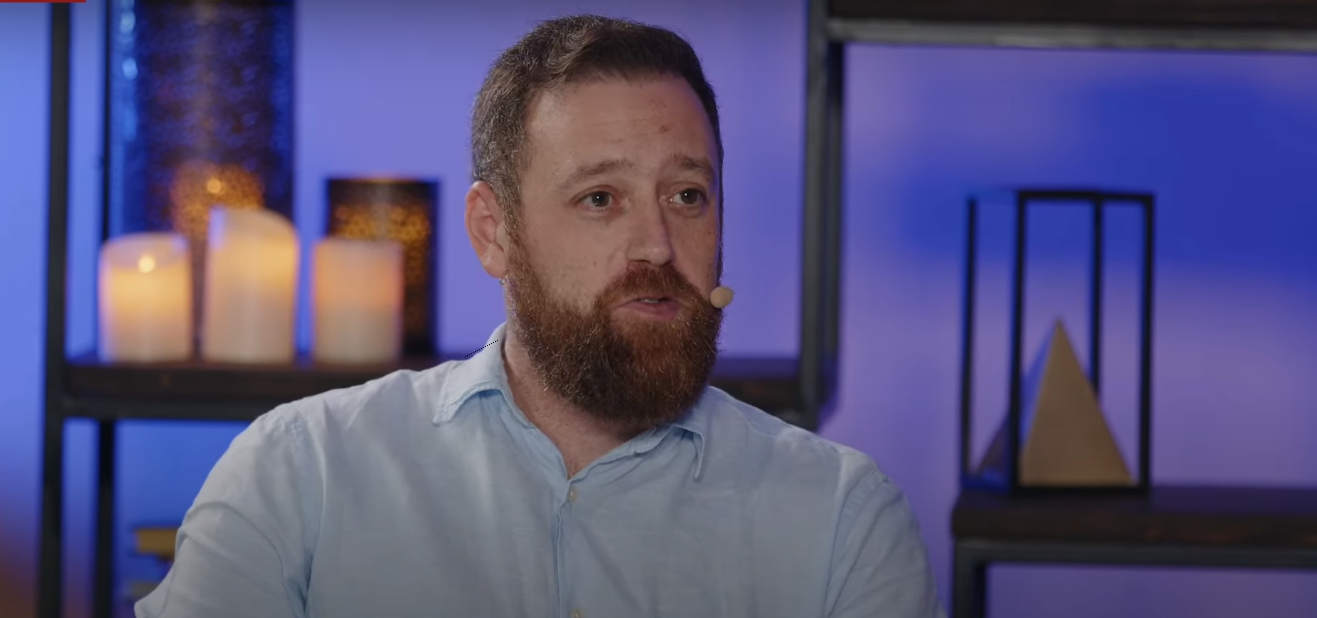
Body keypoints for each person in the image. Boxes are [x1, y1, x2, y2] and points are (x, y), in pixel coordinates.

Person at [136, 14, 945, 618]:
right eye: (600, 198)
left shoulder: (840, 520)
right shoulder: (300, 473)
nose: (657, 245)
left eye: (686, 195)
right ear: (493, 233)